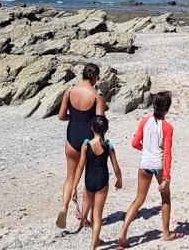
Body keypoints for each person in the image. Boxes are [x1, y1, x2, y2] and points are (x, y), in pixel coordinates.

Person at [117, 91, 182, 247]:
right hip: (159, 165)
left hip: (145, 164)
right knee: (165, 198)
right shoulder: (168, 127)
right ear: (167, 109)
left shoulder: (144, 122)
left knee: (138, 199)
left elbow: (134, 143)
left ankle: (123, 233)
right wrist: (166, 178)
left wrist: (145, 149)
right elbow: (167, 154)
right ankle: (166, 233)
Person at [57, 62, 106, 229]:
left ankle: (64, 207)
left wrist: (74, 118)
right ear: (96, 77)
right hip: (88, 139)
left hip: (72, 136)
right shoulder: (97, 95)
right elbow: (99, 121)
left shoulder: (69, 91)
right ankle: (84, 219)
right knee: (89, 180)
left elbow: (61, 116)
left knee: (70, 176)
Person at [67, 115, 123, 250]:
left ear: (92, 128)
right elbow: (116, 167)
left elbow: (80, 167)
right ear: (106, 129)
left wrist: (74, 187)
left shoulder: (86, 145)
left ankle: (95, 240)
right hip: (102, 181)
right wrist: (119, 180)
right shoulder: (108, 145)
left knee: (92, 211)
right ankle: (93, 245)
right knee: (97, 216)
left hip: (89, 181)